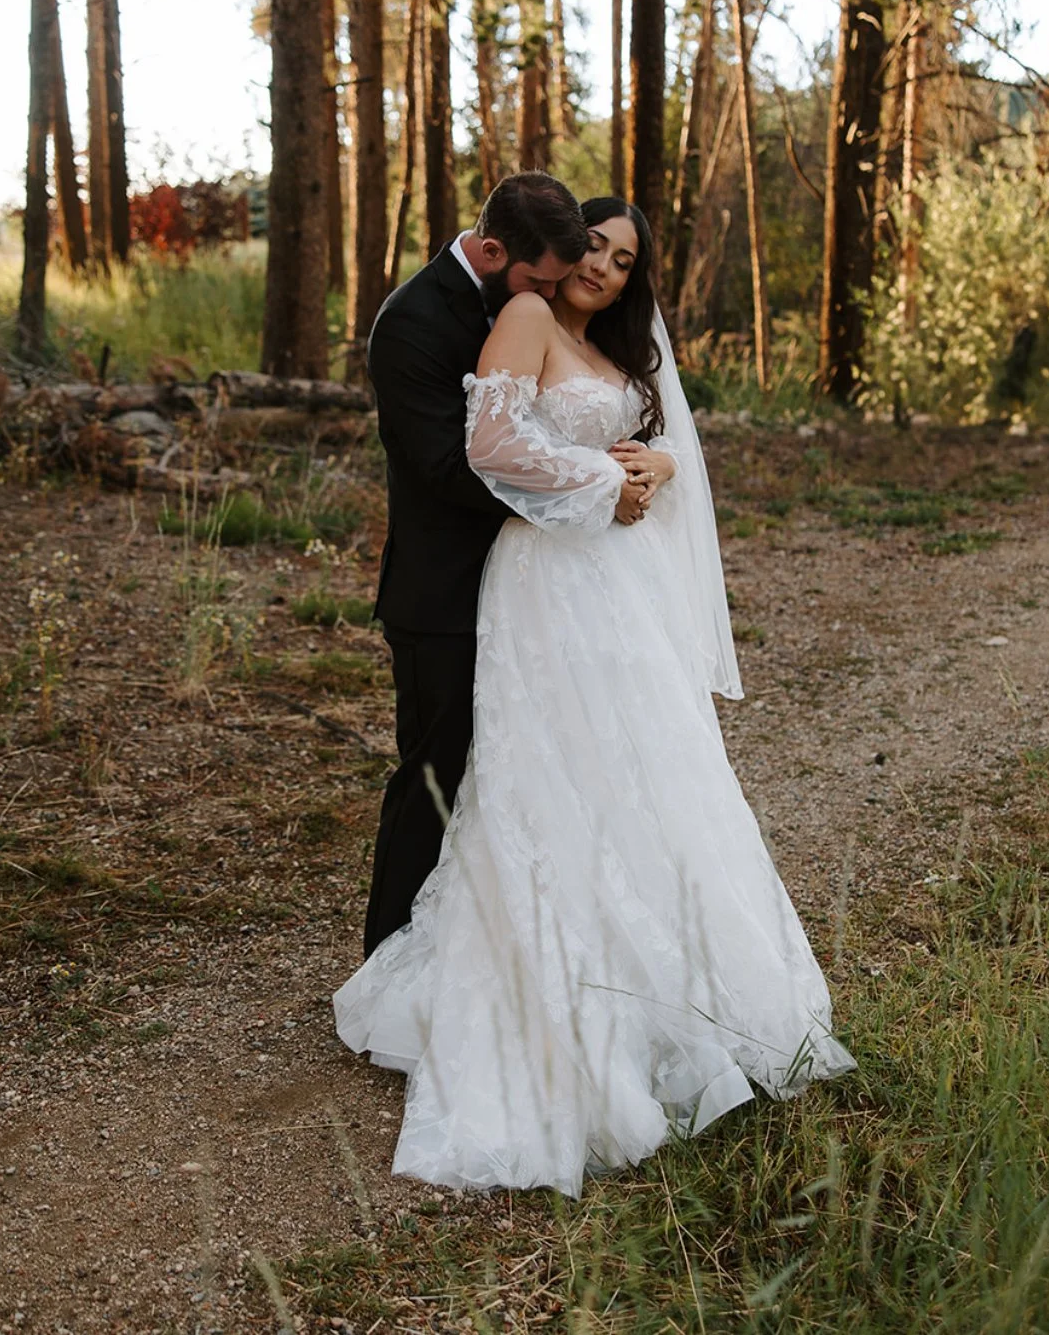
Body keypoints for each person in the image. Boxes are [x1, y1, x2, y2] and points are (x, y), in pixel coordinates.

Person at [336, 195, 854, 1197]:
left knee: (635, 770)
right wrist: (595, 484)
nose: (604, 270)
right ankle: (472, 968)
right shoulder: (517, 318)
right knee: (512, 772)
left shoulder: (607, 349)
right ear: (559, 249)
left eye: (622, 262)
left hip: (609, 588)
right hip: (537, 578)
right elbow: (482, 452)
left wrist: (654, 459)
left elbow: (655, 446)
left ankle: (660, 984)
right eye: (594, 248)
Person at [362, 172, 649, 959]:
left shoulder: (531, 297)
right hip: (444, 591)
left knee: (534, 775)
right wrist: (594, 484)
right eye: (540, 280)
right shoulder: (411, 324)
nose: (557, 291)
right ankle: (392, 959)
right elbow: (449, 468)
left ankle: (512, 950)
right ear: (494, 253)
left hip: (544, 588)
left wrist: (644, 469)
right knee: (434, 780)